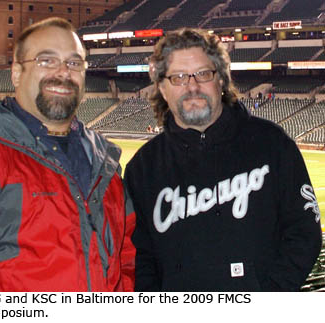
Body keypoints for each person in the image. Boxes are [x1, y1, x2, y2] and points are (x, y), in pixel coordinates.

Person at [124, 28, 322, 292]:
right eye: (179, 77)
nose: (192, 86)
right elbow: (140, 258)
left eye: (203, 74)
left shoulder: (273, 144)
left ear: (221, 79)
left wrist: (270, 300)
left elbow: (304, 232)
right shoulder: (142, 168)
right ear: (161, 87)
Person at [0, 17, 135, 292]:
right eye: (46, 60)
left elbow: (126, 258)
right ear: (16, 73)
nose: (63, 72)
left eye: (74, 63)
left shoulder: (105, 160)